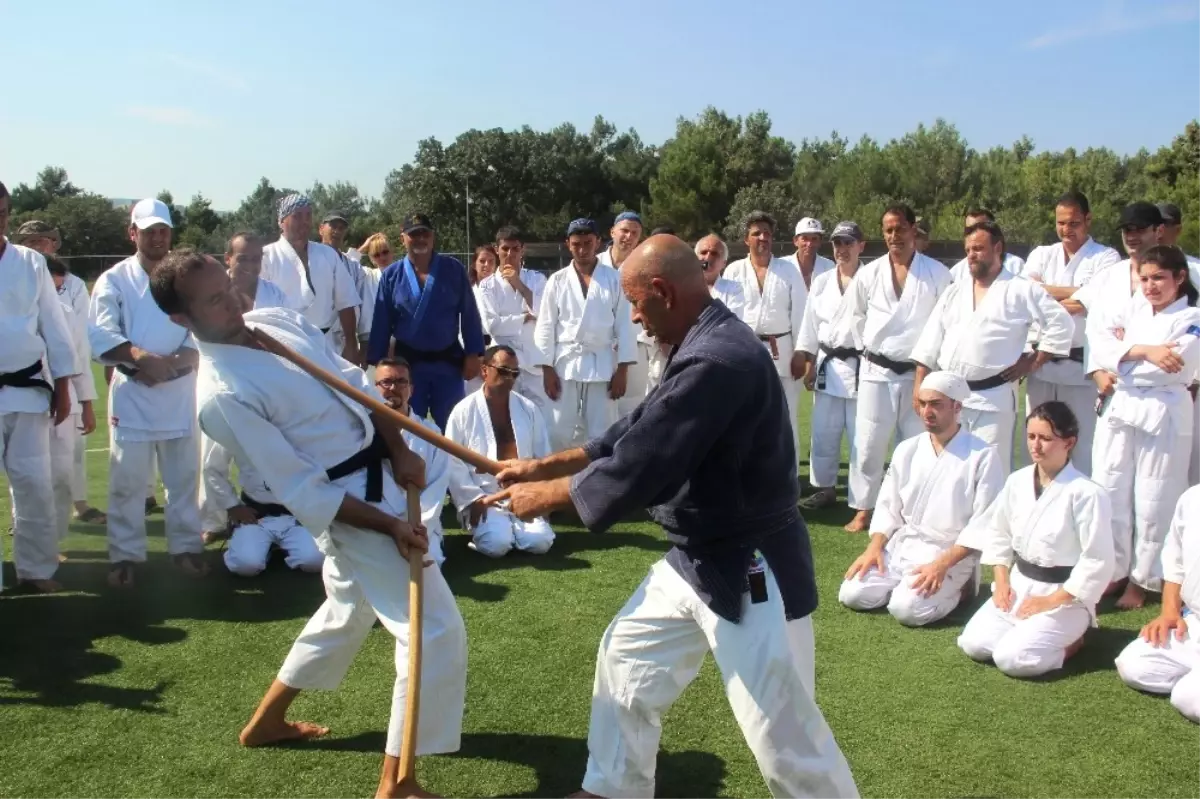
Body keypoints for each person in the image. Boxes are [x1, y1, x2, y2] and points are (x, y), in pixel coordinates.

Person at [483, 235, 859, 799]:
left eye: (637, 303)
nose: (634, 317)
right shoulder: (700, 341)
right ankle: (616, 788)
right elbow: (638, 426)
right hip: (696, 557)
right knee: (626, 659)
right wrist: (542, 466)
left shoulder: (718, 359)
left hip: (752, 563)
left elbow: (646, 460)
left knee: (783, 738)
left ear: (661, 290)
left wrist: (547, 497)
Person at [147, 249, 466, 799]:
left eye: (229, 287)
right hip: (352, 513)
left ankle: (267, 721)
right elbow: (301, 490)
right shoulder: (222, 397)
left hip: (383, 473)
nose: (234, 302)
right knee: (432, 631)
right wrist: (388, 525)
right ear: (182, 320)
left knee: (345, 612)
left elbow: (354, 385)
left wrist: (398, 449)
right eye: (215, 300)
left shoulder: (272, 322)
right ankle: (398, 781)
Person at [88, 198, 207, 588]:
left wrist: (172, 361)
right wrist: (141, 358)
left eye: (163, 230)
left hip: (178, 388)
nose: (157, 237)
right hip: (133, 390)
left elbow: (202, 329)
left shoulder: (186, 277)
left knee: (184, 476)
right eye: (149, 230)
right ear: (133, 233)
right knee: (127, 480)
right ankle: (124, 554)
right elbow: (102, 333)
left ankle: (186, 547)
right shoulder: (114, 279)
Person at [957, 402, 1115, 678]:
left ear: (1069, 442)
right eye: (1031, 436)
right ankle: (1027, 631)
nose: (1036, 446)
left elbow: (1097, 560)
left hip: (1065, 596)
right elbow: (999, 533)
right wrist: (1002, 582)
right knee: (975, 644)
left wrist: (1051, 601)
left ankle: (1073, 643)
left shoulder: (1087, 494)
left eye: (1046, 438)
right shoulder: (1016, 482)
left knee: (1011, 659)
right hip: (1019, 585)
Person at [839, 372, 1003, 625]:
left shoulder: (983, 456)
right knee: (852, 594)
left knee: (906, 610)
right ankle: (902, 584)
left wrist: (941, 565)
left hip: (949, 555)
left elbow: (984, 522)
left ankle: (962, 589)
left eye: (936, 404)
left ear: (957, 407)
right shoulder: (908, 449)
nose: (927, 411)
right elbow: (887, 506)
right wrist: (874, 548)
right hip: (904, 545)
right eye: (923, 403)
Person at [1088, 244, 1200, 610]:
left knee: (1155, 497)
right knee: (1110, 488)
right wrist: (1145, 350)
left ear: (1179, 278)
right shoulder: (1133, 307)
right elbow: (1099, 345)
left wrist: (1125, 353)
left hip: (1164, 409)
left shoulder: (1192, 318)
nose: (1150, 286)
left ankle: (1144, 580)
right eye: (1145, 278)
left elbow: (1170, 365)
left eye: (1159, 279)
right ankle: (1115, 569)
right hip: (1122, 406)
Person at [911, 220, 1074, 470]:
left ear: (997, 248)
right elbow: (931, 338)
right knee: (949, 465)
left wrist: (1034, 361)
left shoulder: (1021, 289)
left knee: (990, 469)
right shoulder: (955, 291)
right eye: (967, 250)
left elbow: (1061, 323)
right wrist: (920, 382)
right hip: (951, 397)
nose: (971, 256)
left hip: (993, 397)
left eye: (978, 249)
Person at [842, 204, 952, 532]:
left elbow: (946, 323)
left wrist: (930, 367)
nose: (894, 236)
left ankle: (912, 510)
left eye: (900, 229)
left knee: (917, 445)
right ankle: (864, 508)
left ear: (913, 229)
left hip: (920, 372)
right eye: (888, 230)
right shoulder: (869, 273)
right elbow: (856, 315)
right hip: (876, 369)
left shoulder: (937, 273)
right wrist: (873, 349)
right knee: (869, 444)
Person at [0, 182, 77, 592]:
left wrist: (63, 385)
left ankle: (36, 570)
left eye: (3, 212)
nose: (0, 220)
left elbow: (55, 327)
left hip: (27, 390)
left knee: (33, 485)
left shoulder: (30, 263)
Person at [1021, 191, 1122, 475]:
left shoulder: (1106, 257)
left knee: (1081, 445)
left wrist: (1048, 294)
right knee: (1037, 443)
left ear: (1088, 220)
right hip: (1043, 364)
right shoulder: (1042, 254)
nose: (1067, 230)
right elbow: (1026, 295)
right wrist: (1081, 294)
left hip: (1081, 368)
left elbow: (1099, 299)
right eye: (1061, 223)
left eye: (1074, 222)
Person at [199, 233, 290, 540]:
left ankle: (285, 514)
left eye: (256, 258)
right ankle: (214, 520)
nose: (251, 264)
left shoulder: (274, 294)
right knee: (212, 448)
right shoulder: (213, 293)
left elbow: (286, 335)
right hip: (222, 377)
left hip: (266, 378)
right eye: (243, 258)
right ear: (228, 258)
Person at [15, 221, 107, 525]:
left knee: (71, 454)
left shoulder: (74, 285)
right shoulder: (14, 279)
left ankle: (76, 506)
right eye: (31, 242)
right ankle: (24, 518)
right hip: (24, 384)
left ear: (55, 245)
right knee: (25, 461)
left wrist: (86, 400)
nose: (39, 247)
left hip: (65, 381)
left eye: (45, 241)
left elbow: (78, 347)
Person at [367, 212, 486, 432]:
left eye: (425, 234)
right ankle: (414, 465)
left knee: (455, 425)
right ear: (403, 238)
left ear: (432, 236)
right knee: (410, 426)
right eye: (413, 235)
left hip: (448, 361)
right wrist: (379, 361)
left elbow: (469, 313)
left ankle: (456, 466)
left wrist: (473, 353)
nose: (420, 239)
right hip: (409, 366)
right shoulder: (391, 276)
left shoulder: (453, 269)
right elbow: (381, 321)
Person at [532, 218, 636, 451]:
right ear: (568, 244)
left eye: (588, 243)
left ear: (598, 242)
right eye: (576, 244)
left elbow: (624, 325)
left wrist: (623, 369)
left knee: (604, 430)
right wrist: (546, 369)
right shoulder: (557, 280)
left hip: (602, 363)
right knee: (558, 428)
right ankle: (553, 478)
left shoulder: (614, 279)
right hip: (565, 363)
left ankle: (601, 480)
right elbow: (546, 325)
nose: (582, 249)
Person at [445, 345, 554, 557]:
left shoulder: (528, 409)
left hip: (521, 493)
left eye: (515, 373)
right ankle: (498, 531)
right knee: (496, 545)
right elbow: (452, 461)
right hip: (485, 498)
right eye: (503, 371)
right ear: (484, 370)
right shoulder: (463, 411)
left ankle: (516, 529)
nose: (509, 379)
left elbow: (543, 457)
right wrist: (473, 500)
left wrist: (540, 495)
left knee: (540, 543)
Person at [722, 211, 809, 457]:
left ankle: (788, 478)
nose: (763, 237)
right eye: (756, 233)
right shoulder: (734, 271)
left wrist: (801, 353)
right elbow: (726, 316)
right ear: (746, 239)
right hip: (745, 351)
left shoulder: (788, 270)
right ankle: (749, 476)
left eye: (767, 233)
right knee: (746, 416)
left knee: (786, 415)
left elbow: (802, 312)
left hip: (783, 349)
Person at [1114, 481, 1200, 723]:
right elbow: (1175, 561)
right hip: (1194, 622)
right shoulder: (1193, 498)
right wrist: (1170, 612)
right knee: (1135, 664)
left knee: (1188, 698)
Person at [796, 221, 865, 509]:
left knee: (863, 434)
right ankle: (824, 488)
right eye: (838, 243)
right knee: (824, 431)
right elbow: (810, 326)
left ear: (861, 245)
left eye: (848, 243)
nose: (842, 249)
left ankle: (861, 495)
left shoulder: (871, 278)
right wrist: (808, 361)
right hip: (828, 365)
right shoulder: (822, 281)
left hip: (862, 366)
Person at [42, 255, 99, 554]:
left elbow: (80, 359)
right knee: (30, 478)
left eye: (59, 288)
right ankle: (37, 542)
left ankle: (53, 543)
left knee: (62, 475)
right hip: (24, 400)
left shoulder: (67, 314)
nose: (55, 293)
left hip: (67, 403)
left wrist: (87, 403)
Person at [262, 194, 361, 364]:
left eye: (308, 215)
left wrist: (351, 344)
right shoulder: (266, 256)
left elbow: (346, 301)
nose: (304, 221)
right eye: (297, 216)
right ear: (281, 222)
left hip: (328, 346)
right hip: (284, 347)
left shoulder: (328, 254)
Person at [375, 357, 454, 567]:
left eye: (401, 382)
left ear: (411, 389)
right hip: (378, 523)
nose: (394, 388)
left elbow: (437, 486)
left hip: (421, 524)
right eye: (386, 382)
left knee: (430, 560)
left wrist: (417, 526)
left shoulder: (432, 434)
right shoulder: (363, 432)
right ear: (374, 388)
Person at [476, 227, 549, 416]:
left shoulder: (536, 279)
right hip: (503, 363)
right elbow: (493, 326)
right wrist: (525, 317)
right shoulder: (487, 286)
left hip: (533, 361)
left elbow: (545, 314)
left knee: (540, 419)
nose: (510, 254)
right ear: (496, 249)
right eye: (505, 249)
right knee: (504, 416)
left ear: (522, 249)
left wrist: (519, 285)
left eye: (515, 249)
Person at [947, 208, 1026, 282]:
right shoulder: (957, 272)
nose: (975, 233)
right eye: (970, 230)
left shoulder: (1016, 265)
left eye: (980, 227)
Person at [465, 244, 498, 395]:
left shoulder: (503, 290)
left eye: (491, 261)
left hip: (497, 353)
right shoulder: (466, 291)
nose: (487, 265)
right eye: (482, 261)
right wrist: (476, 358)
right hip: (474, 355)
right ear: (474, 264)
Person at [784, 216, 835, 291]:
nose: (809, 244)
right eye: (805, 238)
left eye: (814, 239)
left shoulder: (829, 267)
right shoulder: (782, 266)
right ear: (795, 241)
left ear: (820, 242)